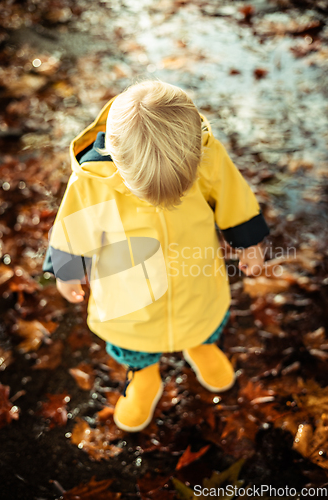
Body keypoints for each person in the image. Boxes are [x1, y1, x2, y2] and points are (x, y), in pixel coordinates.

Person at [42, 80, 269, 432]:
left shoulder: (208, 157)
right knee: (134, 342)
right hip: (128, 294)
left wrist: (249, 242)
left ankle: (201, 346)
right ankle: (143, 375)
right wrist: (68, 270)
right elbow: (74, 228)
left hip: (195, 276)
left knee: (204, 318)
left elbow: (232, 197)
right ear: (116, 159)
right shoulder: (93, 181)